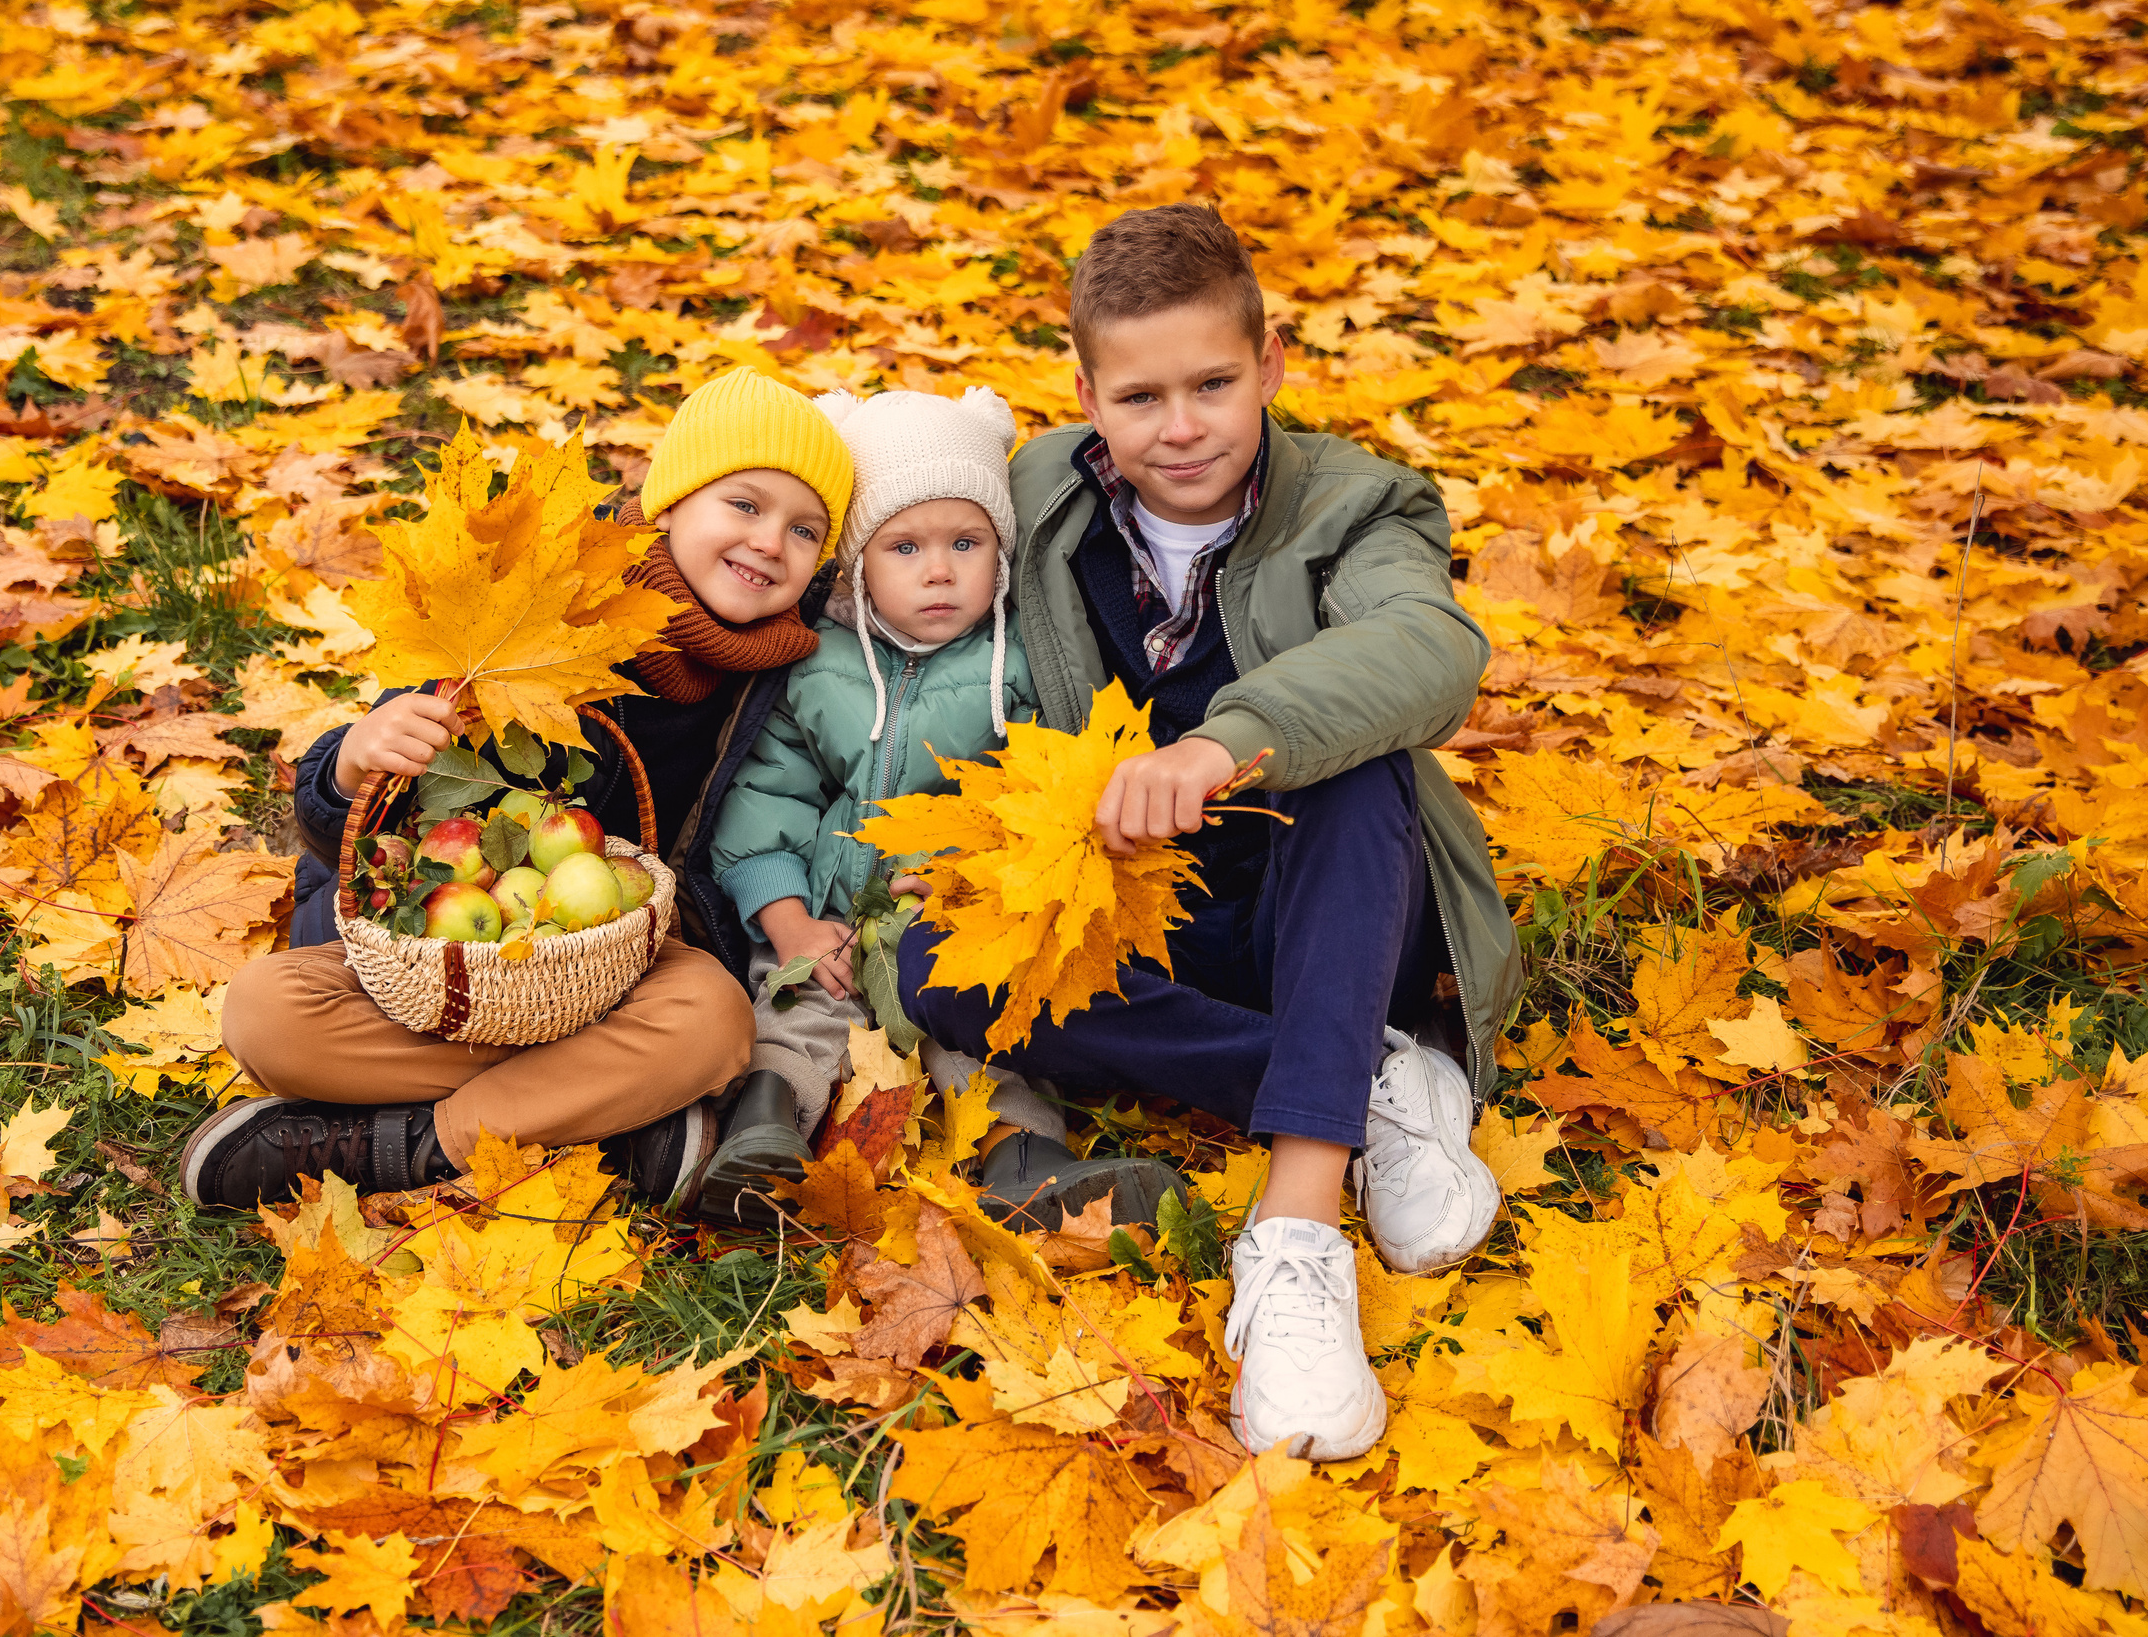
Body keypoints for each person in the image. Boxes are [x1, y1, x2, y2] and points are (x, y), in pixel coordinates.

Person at [892, 205, 1522, 1462]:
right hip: (1144, 909)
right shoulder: (1036, 497)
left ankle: (1296, 1228)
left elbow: (1431, 648)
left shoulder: (1358, 504)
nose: (1179, 428)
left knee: (1354, 770)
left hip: (1337, 907)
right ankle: (1372, 1078)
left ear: (1270, 363)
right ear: (1086, 397)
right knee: (936, 968)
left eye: (1212, 385)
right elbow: (868, 532)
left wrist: (1221, 745)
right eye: (1140, 398)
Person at [181, 367, 856, 1212]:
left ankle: (405, 1143)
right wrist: (351, 762)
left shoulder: (795, 670)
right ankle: (589, 1111)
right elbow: (361, 828)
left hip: (618, 968)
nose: (770, 541)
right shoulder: (548, 594)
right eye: (745, 504)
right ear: (670, 503)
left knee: (716, 1024)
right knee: (264, 1013)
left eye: (804, 529)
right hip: (439, 965)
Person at [699, 386, 1190, 1229]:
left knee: (986, 1032)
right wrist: (788, 921)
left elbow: (1042, 797)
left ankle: (1026, 1160)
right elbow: (766, 798)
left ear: (1000, 550)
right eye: (905, 546)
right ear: (857, 562)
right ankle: (762, 1131)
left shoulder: (1021, 667)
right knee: (793, 1005)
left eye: (967, 542)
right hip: (827, 921)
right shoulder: (816, 663)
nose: (939, 570)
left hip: (952, 923)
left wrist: (981, 885)